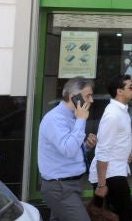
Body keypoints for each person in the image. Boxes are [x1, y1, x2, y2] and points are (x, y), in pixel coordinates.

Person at [38, 77, 97, 221]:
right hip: (61, 187)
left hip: (70, 184)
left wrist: (86, 146)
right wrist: (81, 120)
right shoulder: (55, 119)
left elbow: (68, 149)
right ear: (73, 97)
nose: (91, 100)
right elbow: (68, 150)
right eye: (88, 96)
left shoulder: (72, 117)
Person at [89, 74, 132, 221]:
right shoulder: (113, 114)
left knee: (114, 216)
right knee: (125, 215)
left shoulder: (122, 111)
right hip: (110, 174)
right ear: (119, 91)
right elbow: (102, 150)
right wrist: (102, 184)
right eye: (131, 87)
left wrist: (127, 154)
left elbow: (117, 142)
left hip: (116, 170)